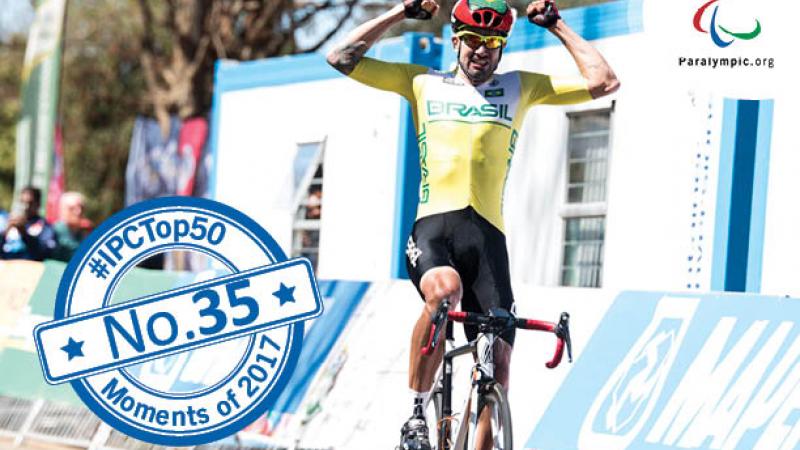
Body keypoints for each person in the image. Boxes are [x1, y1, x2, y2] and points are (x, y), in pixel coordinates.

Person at [327, 0, 619, 449]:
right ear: (456, 40)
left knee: (499, 362)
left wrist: (558, 25)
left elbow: (604, 81)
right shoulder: (421, 82)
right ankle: (417, 414)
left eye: (493, 43)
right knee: (444, 294)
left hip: (487, 241)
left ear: (502, 49)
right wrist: (400, 13)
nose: (482, 51)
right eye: (474, 41)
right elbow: (341, 57)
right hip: (433, 232)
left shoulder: (521, 87)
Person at [0, 186, 58, 261]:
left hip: (28, 269)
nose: (25, 207)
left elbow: (45, 252)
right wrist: (6, 232)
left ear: (38, 204)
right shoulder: (7, 220)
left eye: (30, 203)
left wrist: (24, 233)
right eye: (22, 202)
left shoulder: (45, 226)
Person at [52, 191, 93, 262]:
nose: (78, 211)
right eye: (72, 208)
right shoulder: (53, 232)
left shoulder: (85, 234)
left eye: (81, 207)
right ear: (62, 210)